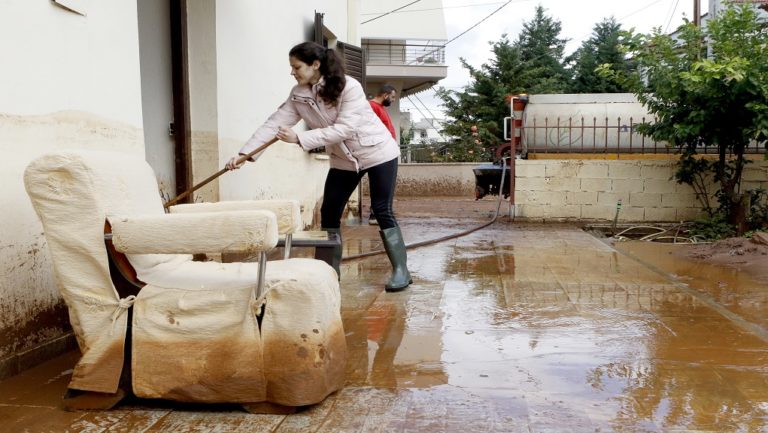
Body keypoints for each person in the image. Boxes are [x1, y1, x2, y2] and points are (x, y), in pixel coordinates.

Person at [226, 41, 411, 292]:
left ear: (315, 65)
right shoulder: (299, 94)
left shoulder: (349, 87)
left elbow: (346, 128)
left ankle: (401, 271)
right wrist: (244, 153)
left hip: (377, 152)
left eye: (296, 67)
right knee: (330, 211)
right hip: (344, 160)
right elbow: (274, 124)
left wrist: (300, 139)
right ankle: (328, 272)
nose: (293, 72)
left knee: (381, 209)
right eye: (291, 67)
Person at [367, 84, 397, 226]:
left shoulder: (381, 108)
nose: (393, 100)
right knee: (379, 186)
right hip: (379, 152)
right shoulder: (372, 107)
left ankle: (379, 214)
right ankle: (375, 215)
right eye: (392, 97)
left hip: (387, 152)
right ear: (385, 95)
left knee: (384, 188)